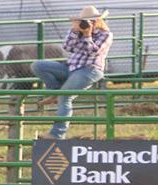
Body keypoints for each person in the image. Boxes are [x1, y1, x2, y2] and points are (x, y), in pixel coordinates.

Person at [31, 6, 113, 140]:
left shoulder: (105, 35)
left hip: (89, 69)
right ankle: (54, 92)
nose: (87, 23)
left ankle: (57, 134)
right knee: (38, 65)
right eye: (84, 21)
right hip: (71, 67)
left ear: (97, 21)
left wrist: (87, 35)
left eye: (90, 21)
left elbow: (93, 52)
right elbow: (67, 47)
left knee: (65, 97)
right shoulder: (77, 31)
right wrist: (75, 31)